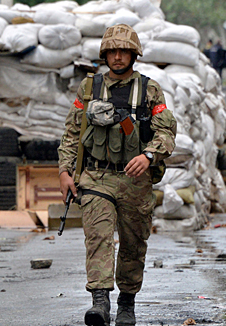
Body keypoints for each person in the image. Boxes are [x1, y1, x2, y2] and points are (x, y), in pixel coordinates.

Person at [57, 24, 177, 326]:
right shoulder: (88, 89)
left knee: (133, 243)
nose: (118, 57)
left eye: (124, 51)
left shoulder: (149, 89)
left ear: (134, 55)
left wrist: (148, 155)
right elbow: (72, 134)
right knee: (98, 237)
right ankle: (100, 302)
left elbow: (167, 132)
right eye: (112, 51)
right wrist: (65, 172)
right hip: (96, 177)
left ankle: (127, 301)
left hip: (135, 180)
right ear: (104, 55)